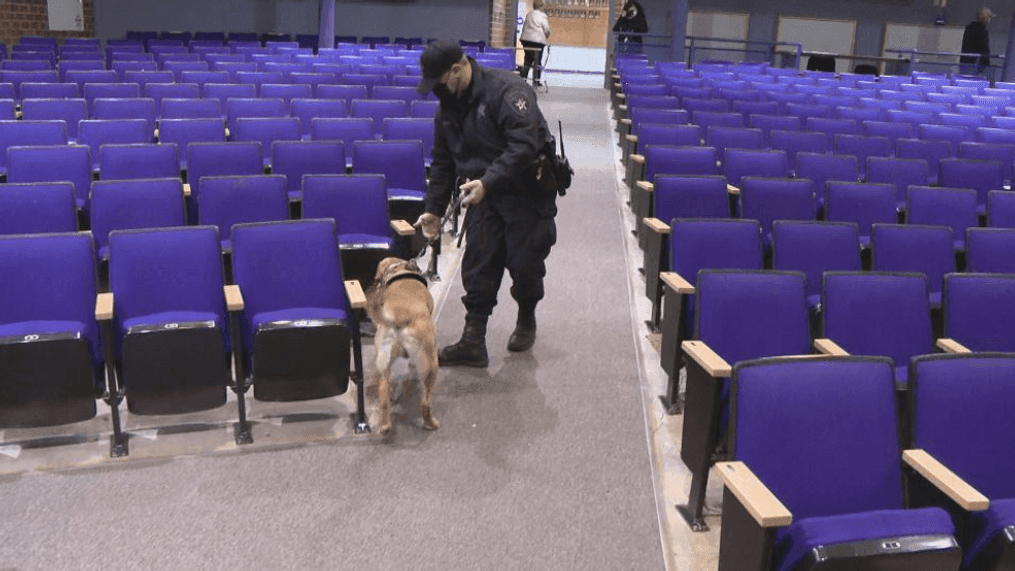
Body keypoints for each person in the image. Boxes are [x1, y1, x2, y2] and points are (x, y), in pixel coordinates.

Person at [413, 41, 558, 368]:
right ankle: (473, 341)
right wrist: (433, 209)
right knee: (479, 263)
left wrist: (488, 181)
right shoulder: (447, 109)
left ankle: (526, 318)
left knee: (526, 266)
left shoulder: (506, 91)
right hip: (483, 195)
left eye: (439, 82)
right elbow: (442, 163)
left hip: (525, 194)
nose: (437, 90)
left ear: (457, 69)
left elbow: (525, 144)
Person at [519, 0, 551, 87]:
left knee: (528, 60)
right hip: (537, 42)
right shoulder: (542, 16)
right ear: (541, 7)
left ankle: (522, 78)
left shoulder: (529, 14)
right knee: (537, 62)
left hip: (526, 40)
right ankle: (536, 81)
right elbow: (546, 29)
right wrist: (547, 36)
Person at [960, 7, 994, 77]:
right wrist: (986, 63)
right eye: (989, 18)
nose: (989, 21)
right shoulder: (982, 31)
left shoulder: (969, 28)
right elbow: (984, 49)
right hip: (976, 65)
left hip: (965, 63)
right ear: (985, 18)